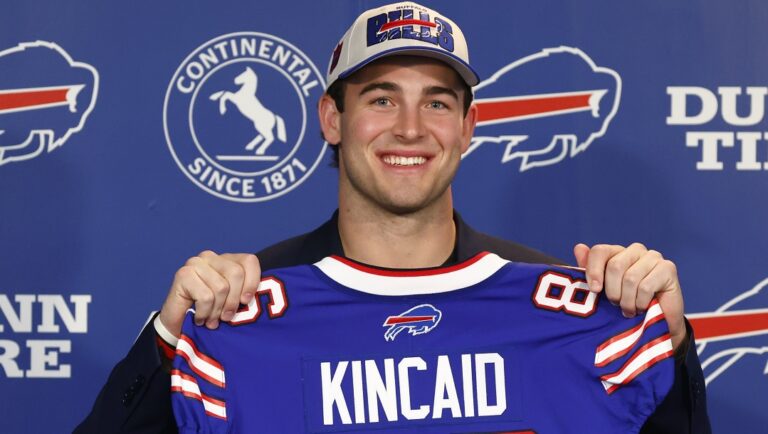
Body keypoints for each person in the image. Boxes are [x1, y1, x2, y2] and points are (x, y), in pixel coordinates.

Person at [74, 2, 710, 433]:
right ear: (332, 119)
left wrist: (669, 341)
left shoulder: (567, 306)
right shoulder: (242, 309)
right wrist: (169, 339)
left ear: (467, 128)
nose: (410, 128)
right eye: (381, 98)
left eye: (436, 102)